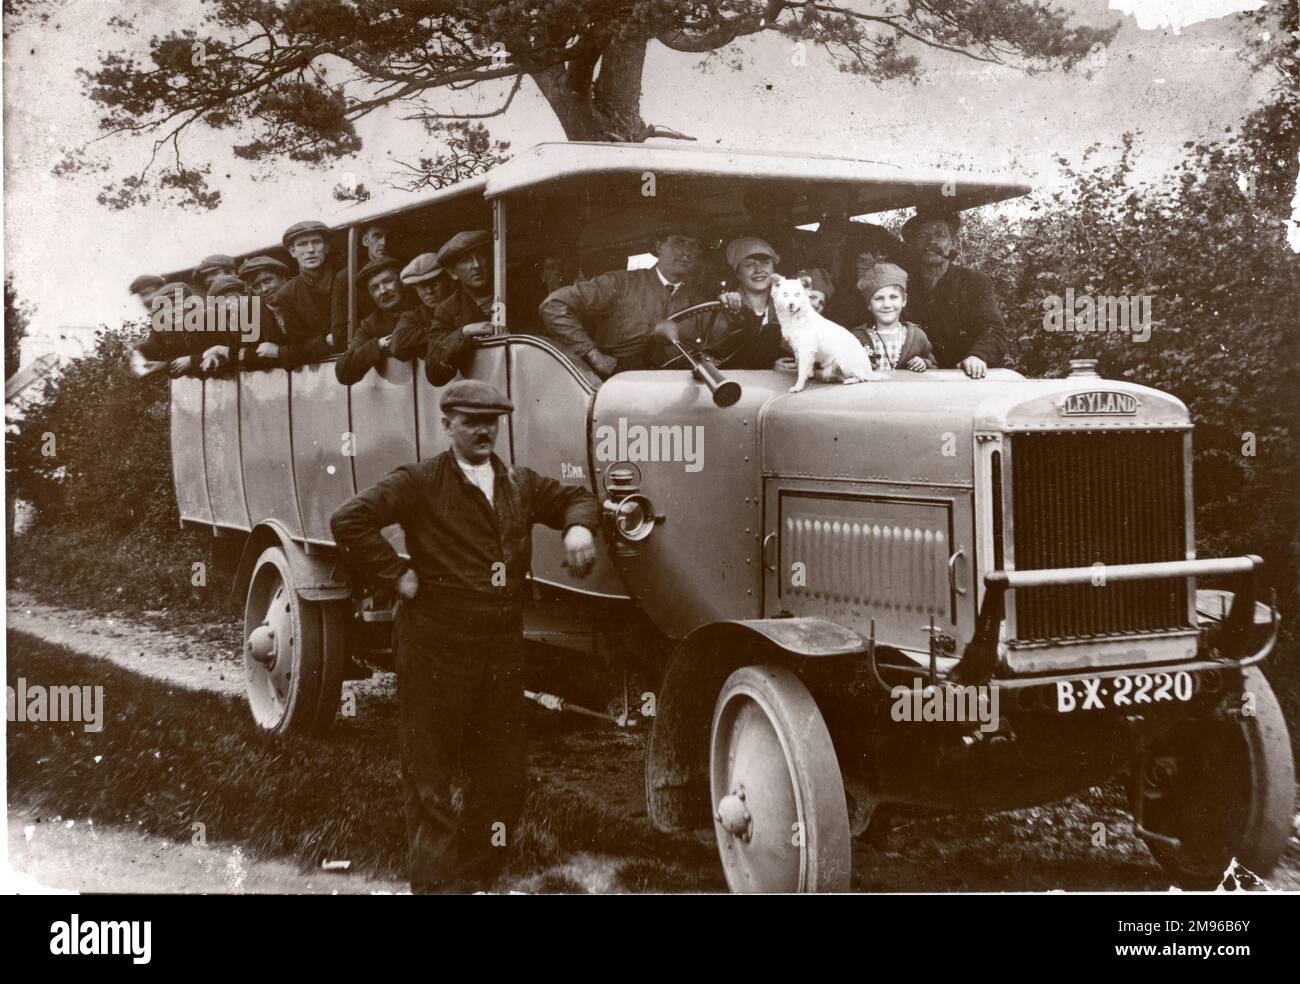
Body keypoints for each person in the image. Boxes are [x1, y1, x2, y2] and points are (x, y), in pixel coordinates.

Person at [329, 379, 600, 893]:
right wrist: (395, 575)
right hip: (436, 644)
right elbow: (349, 520)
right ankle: (434, 887)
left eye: (490, 421)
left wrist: (578, 527)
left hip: (500, 647)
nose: (482, 430)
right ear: (447, 424)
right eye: (471, 421)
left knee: (502, 776)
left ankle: (476, 878)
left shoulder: (517, 482)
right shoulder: (420, 481)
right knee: (430, 776)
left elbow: (576, 497)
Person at [539, 212, 711, 379]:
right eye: (679, 243)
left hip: (676, 385)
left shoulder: (699, 302)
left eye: (694, 246)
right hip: (622, 382)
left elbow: (717, 342)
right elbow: (554, 304)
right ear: (659, 247)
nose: (687, 252)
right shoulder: (620, 283)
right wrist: (592, 354)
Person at [900, 209, 1007, 378]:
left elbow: (994, 330)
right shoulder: (900, 286)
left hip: (964, 379)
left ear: (953, 243)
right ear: (913, 246)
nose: (932, 242)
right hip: (915, 380)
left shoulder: (975, 282)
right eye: (922, 236)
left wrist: (978, 356)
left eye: (940, 235)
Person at [653, 236, 787, 370]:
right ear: (737, 273)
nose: (759, 270)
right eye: (749, 265)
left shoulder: (790, 302)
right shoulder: (720, 309)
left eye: (765, 263)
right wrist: (769, 366)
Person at [264, 220, 347, 367]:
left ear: (327, 247)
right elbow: (300, 346)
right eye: (302, 244)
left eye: (316, 242)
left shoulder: (348, 275)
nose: (310, 250)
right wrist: (326, 341)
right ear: (292, 251)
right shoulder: (287, 293)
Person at [419, 231, 497, 387]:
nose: (476, 265)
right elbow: (434, 372)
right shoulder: (448, 310)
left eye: (480, 256)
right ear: (452, 273)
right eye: (466, 260)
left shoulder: (517, 291)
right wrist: (465, 332)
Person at [334, 257, 413, 384]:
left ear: (401, 281)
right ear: (370, 294)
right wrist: (380, 344)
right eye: (375, 288)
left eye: (387, 281)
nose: (383, 291)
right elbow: (343, 371)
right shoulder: (371, 324)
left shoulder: (422, 308)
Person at [850, 263, 936, 373]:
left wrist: (923, 363)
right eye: (879, 298)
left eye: (893, 297)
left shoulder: (916, 336)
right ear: (869, 305)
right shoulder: (857, 337)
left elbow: (933, 365)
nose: (887, 304)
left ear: (904, 300)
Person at [389, 253, 455, 361]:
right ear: (416, 289)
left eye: (435, 283)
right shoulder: (414, 316)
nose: (429, 291)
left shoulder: (463, 305)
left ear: (449, 281)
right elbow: (398, 343)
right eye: (422, 286)